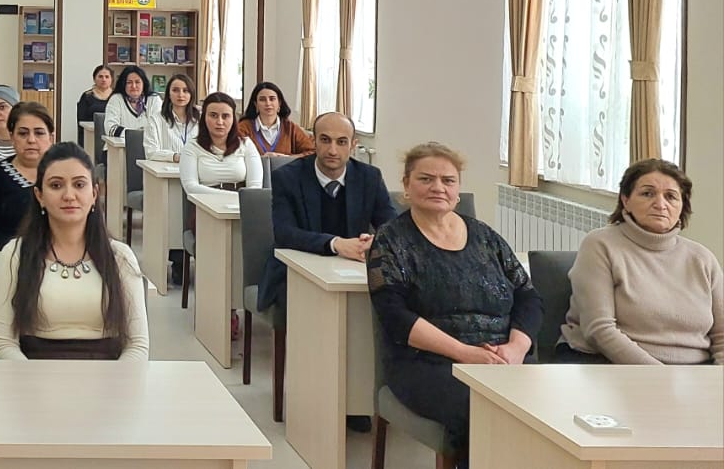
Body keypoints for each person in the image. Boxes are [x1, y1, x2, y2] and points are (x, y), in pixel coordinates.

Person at [368, 142, 540, 456]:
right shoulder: (390, 239)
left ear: (458, 189)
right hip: (428, 364)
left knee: (549, 407)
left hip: (503, 359)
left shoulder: (485, 236)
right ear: (406, 185)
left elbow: (528, 297)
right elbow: (394, 317)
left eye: (448, 180)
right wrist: (466, 353)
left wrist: (515, 348)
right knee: (486, 410)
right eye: (426, 179)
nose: (438, 187)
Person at [558, 158, 724, 365]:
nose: (660, 204)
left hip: (694, 373)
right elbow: (600, 329)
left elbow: (721, 337)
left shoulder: (702, 258)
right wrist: (662, 377)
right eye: (647, 194)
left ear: (682, 206)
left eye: (671, 196)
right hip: (611, 364)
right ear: (626, 200)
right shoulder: (600, 244)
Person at [0, 143, 148, 360]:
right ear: (39, 196)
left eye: (79, 185)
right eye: (56, 185)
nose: (69, 195)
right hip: (32, 373)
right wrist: (33, 380)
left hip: (108, 375)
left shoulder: (120, 256)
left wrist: (115, 380)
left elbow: (137, 345)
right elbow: (4, 344)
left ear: (94, 194)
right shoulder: (15, 254)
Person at [257, 112, 396, 314]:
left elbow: (391, 226)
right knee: (308, 307)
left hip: (351, 269)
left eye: (341, 142)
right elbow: (284, 233)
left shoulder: (369, 177)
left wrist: (373, 242)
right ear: (313, 141)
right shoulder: (287, 177)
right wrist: (336, 244)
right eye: (325, 140)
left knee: (389, 299)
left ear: (353, 145)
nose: (332, 150)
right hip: (296, 269)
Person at [0, 102, 55, 251]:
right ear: (12, 137)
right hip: (4, 258)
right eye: (23, 133)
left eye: (39, 133)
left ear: (51, 138)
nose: (31, 140)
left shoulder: (64, 175)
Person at [178, 92, 263, 196]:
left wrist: (240, 199)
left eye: (225, 116)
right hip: (205, 203)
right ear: (204, 117)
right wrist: (235, 196)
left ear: (233, 119)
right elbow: (191, 187)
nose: (219, 122)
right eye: (213, 115)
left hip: (240, 204)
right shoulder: (192, 147)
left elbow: (255, 187)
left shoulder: (246, 144)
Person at [236, 81, 315, 157]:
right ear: (255, 104)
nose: (268, 103)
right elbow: (236, 155)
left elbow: (311, 152)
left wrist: (286, 158)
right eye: (262, 99)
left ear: (279, 103)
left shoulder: (290, 128)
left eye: (272, 99)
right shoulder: (243, 127)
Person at [144, 73, 199, 162]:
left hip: (196, 168)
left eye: (185, 90)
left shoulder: (200, 120)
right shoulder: (155, 120)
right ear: (168, 94)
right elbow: (151, 152)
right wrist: (176, 157)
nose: (180, 95)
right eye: (175, 90)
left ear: (191, 94)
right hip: (165, 169)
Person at [103, 65, 159, 137]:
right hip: (120, 143)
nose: (134, 86)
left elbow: (159, 127)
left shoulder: (154, 99)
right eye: (129, 82)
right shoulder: (116, 99)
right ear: (123, 84)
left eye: (137, 82)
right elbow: (110, 128)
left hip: (149, 143)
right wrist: (135, 135)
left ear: (144, 83)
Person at [74, 64, 113, 138]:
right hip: (90, 135)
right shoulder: (87, 96)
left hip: (112, 136)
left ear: (111, 79)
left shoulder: (117, 97)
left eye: (107, 77)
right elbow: (81, 122)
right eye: (100, 76)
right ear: (94, 79)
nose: (104, 79)